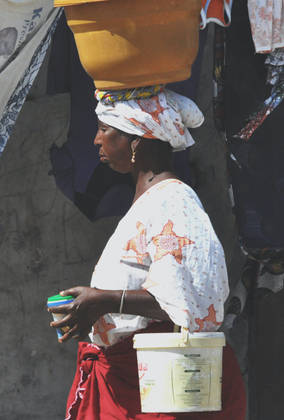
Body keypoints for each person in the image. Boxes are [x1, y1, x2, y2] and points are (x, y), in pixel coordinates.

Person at [48, 86, 246, 420]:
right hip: (128, 387)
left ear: (136, 141)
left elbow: (189, 304)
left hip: (161, 389)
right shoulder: (149, 203)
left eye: (104, 129)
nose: (96, 140)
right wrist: (93, 310)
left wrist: (104, 301)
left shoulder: (176, 204)